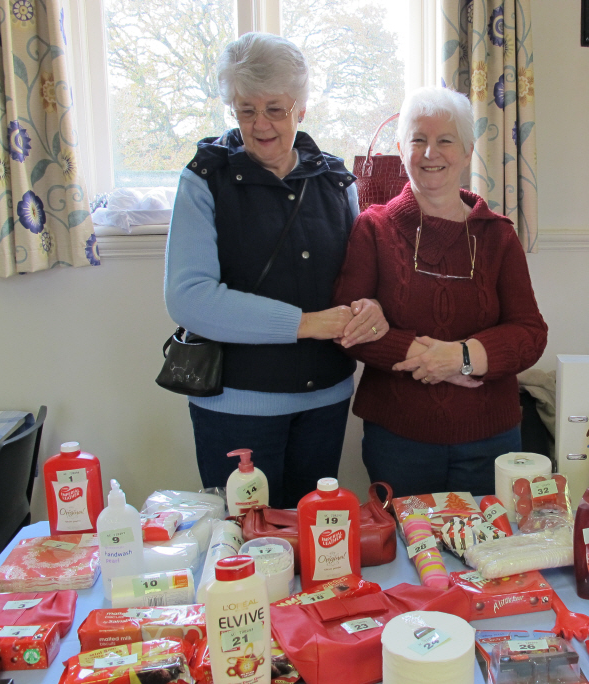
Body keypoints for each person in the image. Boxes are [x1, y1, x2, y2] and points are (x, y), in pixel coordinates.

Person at [164, 33, 387, 508]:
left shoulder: (336, 180)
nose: (260, 124)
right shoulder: (204, 179)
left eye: (275, 109)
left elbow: (357, 281)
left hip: (325, 402)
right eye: (246, 110)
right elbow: (189, 297)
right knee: (247, 554)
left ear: (301, 108)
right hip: (234, 408)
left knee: (316, 552)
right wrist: (304, 325)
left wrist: (368, 305)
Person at [332, 86, 548, 497]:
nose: (431, 153)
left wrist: (461, 357)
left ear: (468, 151)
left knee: (486, 555)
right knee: (406, 556)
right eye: (419, 140)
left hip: (492, 441)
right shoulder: (373, 228)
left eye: (445, 140)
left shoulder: (497, 235)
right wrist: (428, 357)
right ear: (401, 147)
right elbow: (349, 329)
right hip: (398, 439)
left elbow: (530, 332)